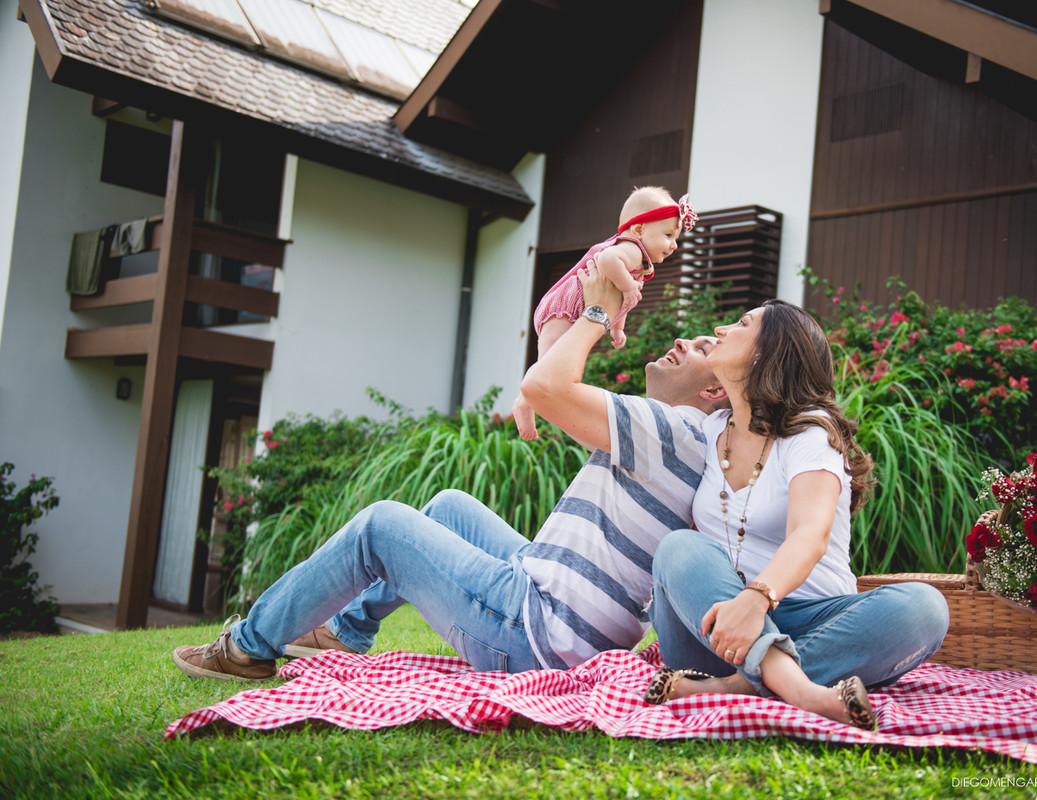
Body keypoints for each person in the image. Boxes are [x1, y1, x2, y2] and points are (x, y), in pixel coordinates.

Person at [172, 264, 728, 680]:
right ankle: (346, 631)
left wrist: (599, 311)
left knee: (381, 526)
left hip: (537, 638)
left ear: (712, 391)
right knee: (448, 506)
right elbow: (554, 390)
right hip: (569, 623)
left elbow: (544, 386)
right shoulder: (689, 437)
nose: (683, 340)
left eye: (702, 347)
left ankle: (246, 648)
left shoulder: (674, 428)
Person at [642, 301, 950, 730]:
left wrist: (758, 598)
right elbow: (644, 412)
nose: (720, 327)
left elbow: (811, 532)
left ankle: (732, 689)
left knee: (925, 607)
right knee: (679, 547)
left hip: (814, 622)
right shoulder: (707, 431)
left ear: (768, 353)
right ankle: (803, 692)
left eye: (742, 323)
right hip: (714, 629)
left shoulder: (811, 433)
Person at [511, 186, 697, 440]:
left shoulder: (636, 260)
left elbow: (621, 300)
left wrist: (617, 326)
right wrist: (629, 286)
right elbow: (608, 260)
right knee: (549, 361)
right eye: (667, 235)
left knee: (554, 360)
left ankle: (528, 399)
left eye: (675, 239)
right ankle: (524, 401)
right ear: (639, 229)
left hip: (574, 309)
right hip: (565, 306)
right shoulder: (630, 249)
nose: (673, 245)